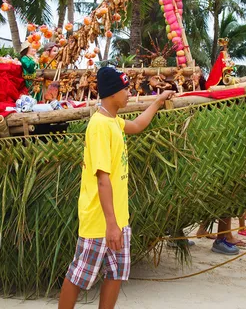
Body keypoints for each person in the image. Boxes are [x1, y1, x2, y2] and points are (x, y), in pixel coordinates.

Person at [58, 67, 174, 309]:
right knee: (79, 275)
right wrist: (111, 224)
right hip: (100, 221)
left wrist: (157, 101)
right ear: (112, 93)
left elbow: (138, 125)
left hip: (118, 219)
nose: (129, 93)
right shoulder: (99, 126)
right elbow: (102, 178)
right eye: (126, 89)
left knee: (116, 273)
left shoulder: (114, 122)